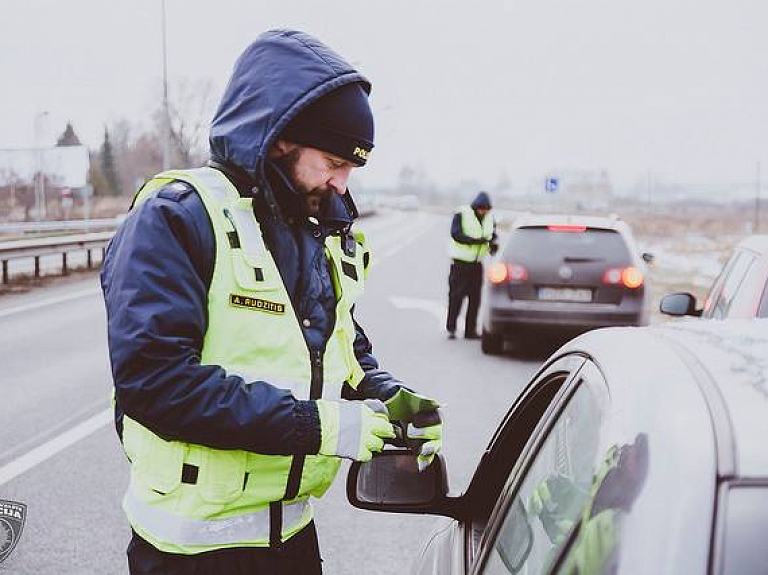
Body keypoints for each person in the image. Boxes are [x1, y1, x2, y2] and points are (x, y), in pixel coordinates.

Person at [100, 29, 442, 575]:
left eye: (353, 167)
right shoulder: (177, 218)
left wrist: (387, 396)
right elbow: (155, 381)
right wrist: (321, 428)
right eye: (333, 161)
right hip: (190, 552)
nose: (342, 183)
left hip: (293, 541)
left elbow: (337, 352)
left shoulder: (315, 231)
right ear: (280, 139)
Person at [446, 191, 498, 339]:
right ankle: (451, 328)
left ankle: (470, 331)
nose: (484, 212)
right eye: (482, 209)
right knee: (456, 298)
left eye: (487, 209)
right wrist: (478, 241)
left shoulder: (490, 219)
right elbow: (456, 234)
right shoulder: (461, 214)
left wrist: (493, 245)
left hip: (476, 266)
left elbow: (493, 236)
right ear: (476, 207)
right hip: (460, 265)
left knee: (475, 300)